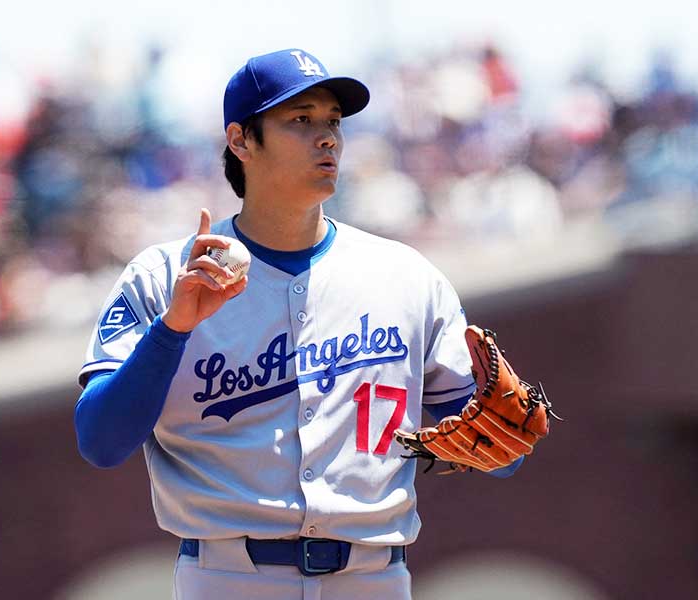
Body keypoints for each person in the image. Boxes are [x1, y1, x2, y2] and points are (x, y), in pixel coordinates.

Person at [75, 48, 523, 600]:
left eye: (333, 121)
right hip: (229, 578)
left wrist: (502, 433)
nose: (327, 137)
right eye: (301, 120)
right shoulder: (166, 275)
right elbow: (101, 441)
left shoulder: (406, 277)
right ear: (241, 141)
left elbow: (501, 453)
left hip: (374, 578)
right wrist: (172, 329)